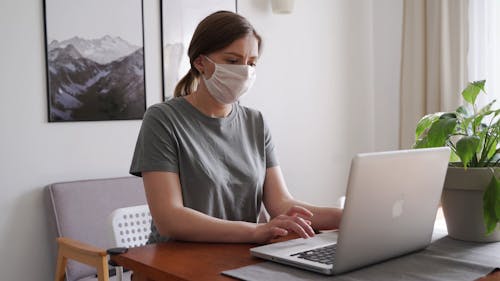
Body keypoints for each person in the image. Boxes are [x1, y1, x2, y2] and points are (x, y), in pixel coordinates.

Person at [130, 11, 342, 244]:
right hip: (176, 263)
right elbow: (170, 219)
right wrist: (254, 232)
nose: (244, 71)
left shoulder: (256, 123)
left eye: (251, 63)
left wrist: (346, 217)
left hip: (241, 256)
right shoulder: (162, 120)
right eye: (232, 61)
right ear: (200, 62)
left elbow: (281, 204)